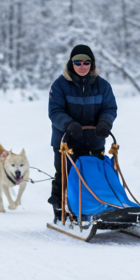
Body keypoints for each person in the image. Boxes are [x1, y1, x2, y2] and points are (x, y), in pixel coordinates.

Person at [47, 44, 117, 221]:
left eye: (86, 62)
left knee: (94, 175)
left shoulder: (102, 86)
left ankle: (97, 207)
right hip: (66, 141)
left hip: (94, 140)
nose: (82, 66)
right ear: (71, 64)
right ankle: (60, 207)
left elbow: (109, 108)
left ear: (92, 64)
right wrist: (69, 124)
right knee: (65, 175)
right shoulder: (60, 85)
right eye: (78, 62)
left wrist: (104, 122)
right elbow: (55, 111)